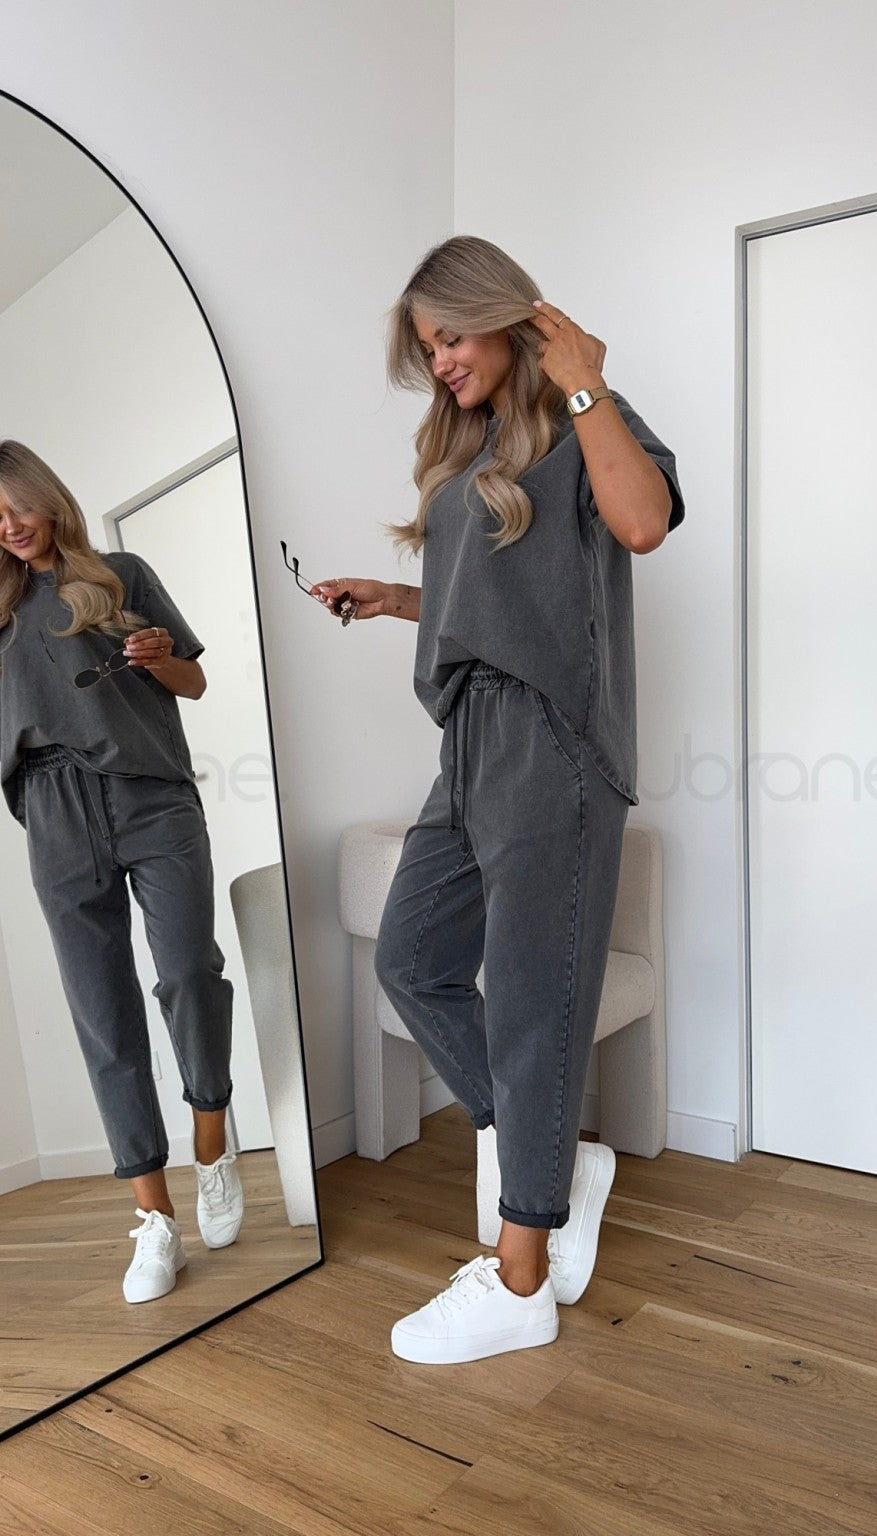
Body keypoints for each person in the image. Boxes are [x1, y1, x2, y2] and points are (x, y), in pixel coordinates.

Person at [314, 236, 684, 1364]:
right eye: (427, 350)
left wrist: (585, 381)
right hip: (468, 741)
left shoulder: (586, 418)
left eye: (450, 338)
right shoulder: (469, 447)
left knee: (530, 1003)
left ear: (504, 317)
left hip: (551, 740)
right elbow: (495, 594)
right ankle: (553, 1156)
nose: (440, 364)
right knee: (411, 960)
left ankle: (521, 1281)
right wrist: (398, 601)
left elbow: (642, 523)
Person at [0, 441, 243, 1304]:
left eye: (17, 506)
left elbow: (194, 682)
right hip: (54, 811)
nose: (10, 526)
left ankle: (211, 1141)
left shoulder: (122, 575)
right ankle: (154, 1217)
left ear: (47, 498)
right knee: (101, 1011)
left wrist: (156, 657)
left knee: (188, 972)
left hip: (151, 796)